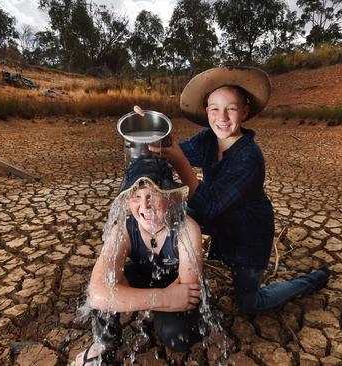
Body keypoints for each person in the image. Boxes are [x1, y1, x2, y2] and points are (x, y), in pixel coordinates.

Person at [136, 66, 330, 314]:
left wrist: (180, 163)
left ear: (245, 111)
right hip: (218, 223)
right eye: (215, 109)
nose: (222, 117)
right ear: (206, 111)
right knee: (169, 216)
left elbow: (208, 204)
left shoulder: (249, 157)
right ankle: (176, 275)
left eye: (231, 108)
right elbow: (171, 150)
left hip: (247, 235)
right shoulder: (207, 139)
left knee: (249, 304)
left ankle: (310, 281)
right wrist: (151, 124)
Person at [73, 156, 203, 366]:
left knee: (175, 335)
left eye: (153, 195)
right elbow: (96, 293)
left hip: (176, 282)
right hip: (154, 283)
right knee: (106, 291)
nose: (145, 205)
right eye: (136, 196)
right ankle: (103, 346)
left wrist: (126, 298)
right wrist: (164, 298)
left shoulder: (187, 229)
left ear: (170, 197)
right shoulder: (123, 229)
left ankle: (167, 325)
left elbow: (187, 294)